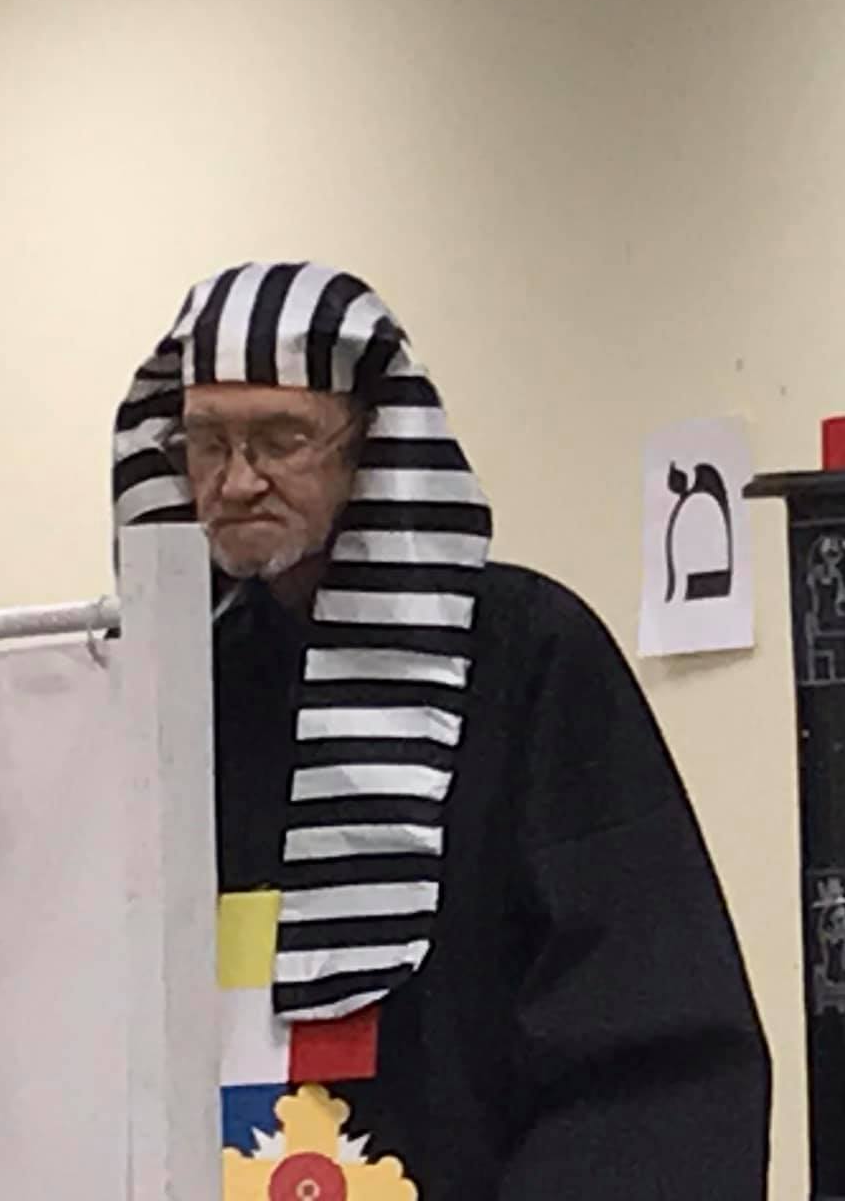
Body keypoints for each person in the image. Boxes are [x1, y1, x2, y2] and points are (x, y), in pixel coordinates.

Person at [111, 263, 770, 1200]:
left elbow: (650, 1053)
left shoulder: (528, 657)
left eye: (281, 439)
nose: (237, 480)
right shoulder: (167, 689)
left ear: (371, 446)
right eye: (207, 442)